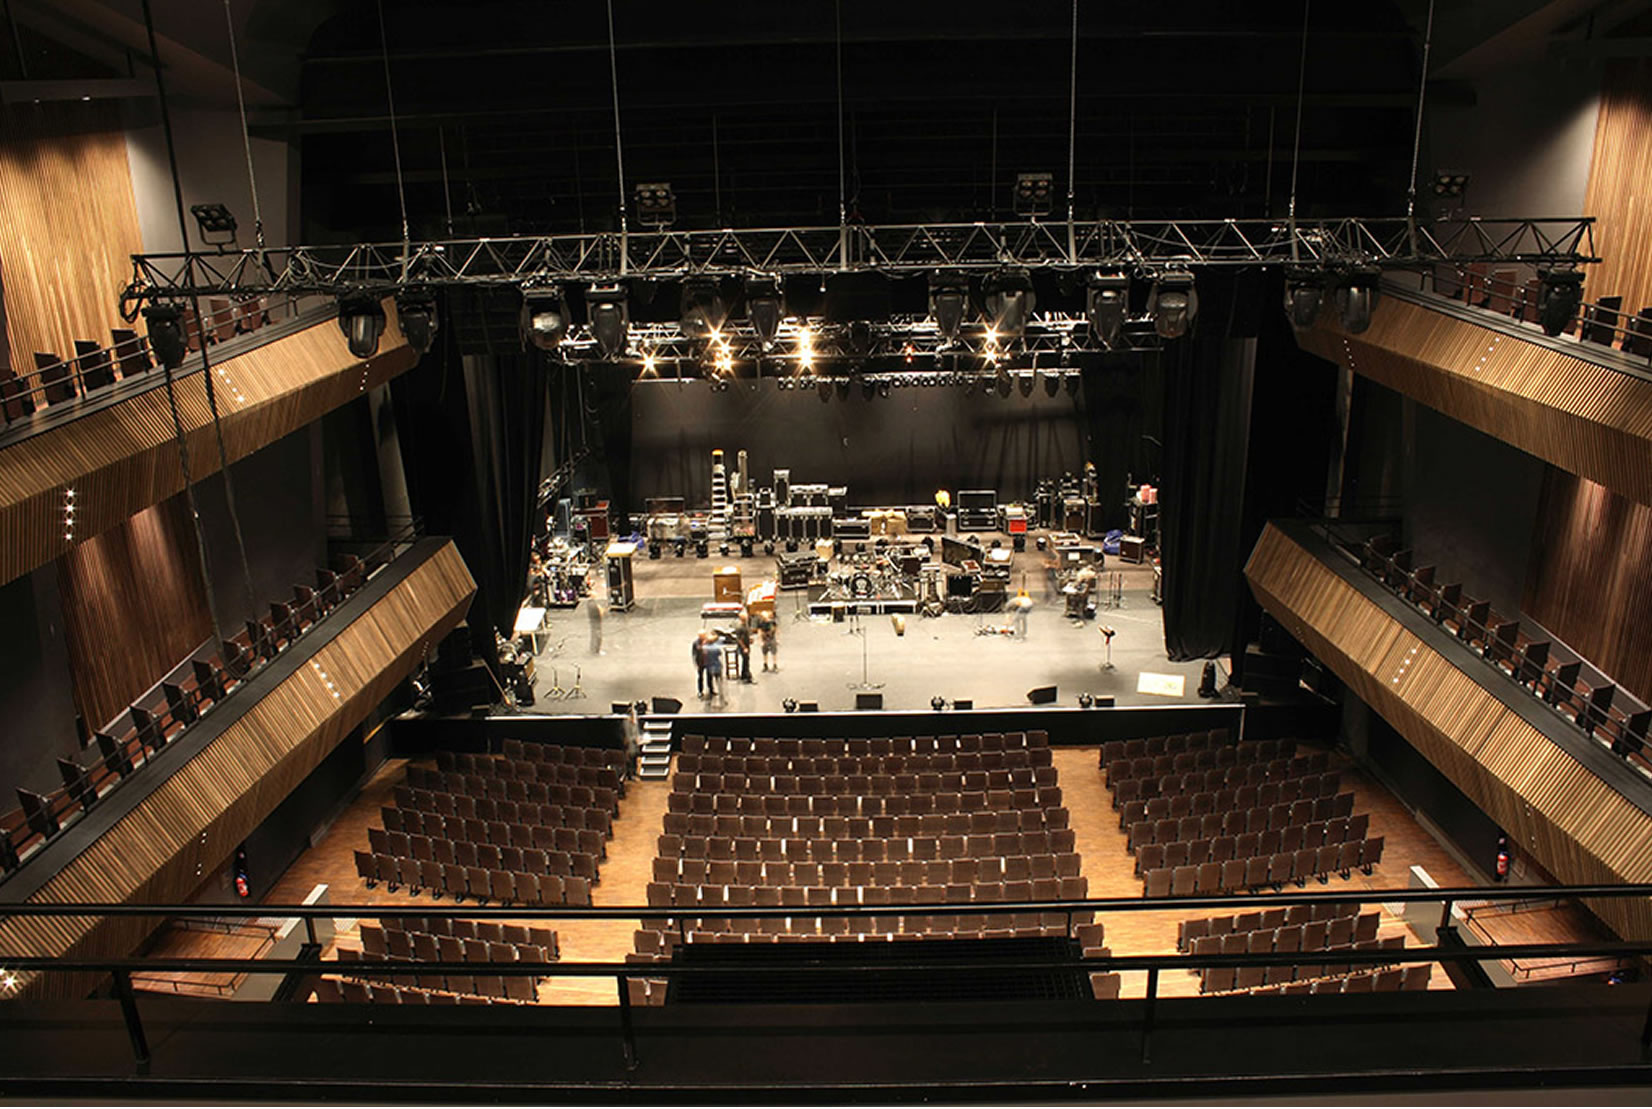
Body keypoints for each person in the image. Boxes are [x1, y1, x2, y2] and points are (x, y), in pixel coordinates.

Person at [701, 633, 723, 700]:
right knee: (718, 678)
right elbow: (720, 653)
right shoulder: (716, 648)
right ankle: (720, 690)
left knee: (709, 679)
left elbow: (703, 655)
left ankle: (711, 690)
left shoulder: (704, 648)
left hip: (709, 665)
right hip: (717, 665)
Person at [734, 609, 753, 682]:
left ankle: (744, 675)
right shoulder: (739, 627)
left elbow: (747, 634)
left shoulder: (746, 625)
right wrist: (744, 647)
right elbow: (739, 639)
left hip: (747, 644)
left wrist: (750, 639)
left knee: (746, 660)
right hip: (743, 646)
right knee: (745, 660)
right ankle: (746, 675)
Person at [692, 632, 709, 698]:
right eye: (702, 636)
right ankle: (700, 691)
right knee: (700, 677)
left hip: (708, 661)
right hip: (700, 662)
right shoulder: (696, 642)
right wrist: (703, 644)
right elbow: (698, 649)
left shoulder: (708, 641)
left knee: (709, 676)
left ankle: (710, 689)